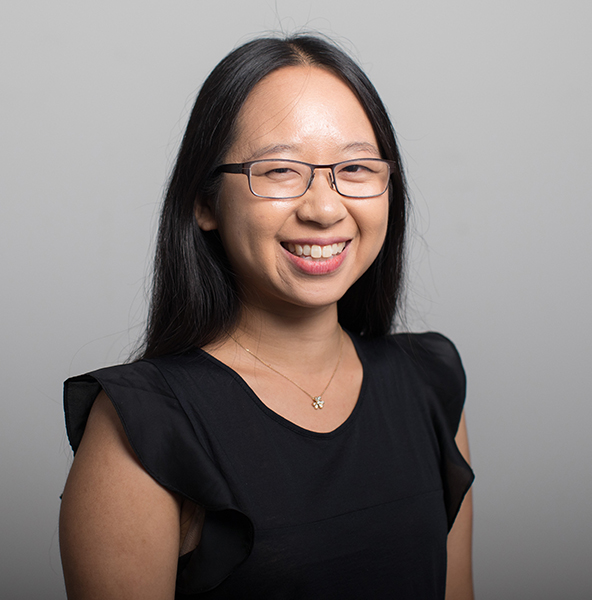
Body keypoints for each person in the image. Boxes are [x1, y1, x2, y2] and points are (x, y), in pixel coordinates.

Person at [59, 34, 474, 599]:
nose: (325, 208)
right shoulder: (145, 426)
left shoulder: (430, 384)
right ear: (204, 203)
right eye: (279, 171)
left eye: (354, 167)